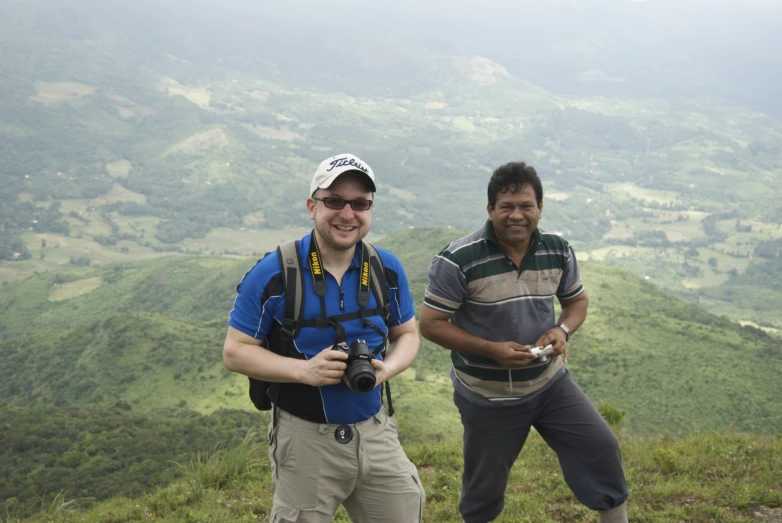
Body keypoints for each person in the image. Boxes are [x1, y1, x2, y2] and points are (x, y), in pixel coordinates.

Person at [419, 161, 628, 523]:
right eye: (507, 207)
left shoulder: (557, 249)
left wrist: (562, 331)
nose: (517, 215)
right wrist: (491, 350)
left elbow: (576, 301)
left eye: (526, 206)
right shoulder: (458, 260)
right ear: (490, 210)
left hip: (550, 383)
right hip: (488, 394)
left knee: (601, 448)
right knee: (484, 489)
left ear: (540, 209)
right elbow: (432, 324)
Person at [223, 153, 426, 523]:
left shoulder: (386, 268)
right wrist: (305, 371)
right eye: (334, 201)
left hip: (375, 429)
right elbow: (235, 352)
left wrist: (385, 371)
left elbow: (408, 335)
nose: (347, 214)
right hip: (305, 439)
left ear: (370, 210)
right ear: (311, 206)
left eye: (360, 203)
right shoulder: (275, 274)